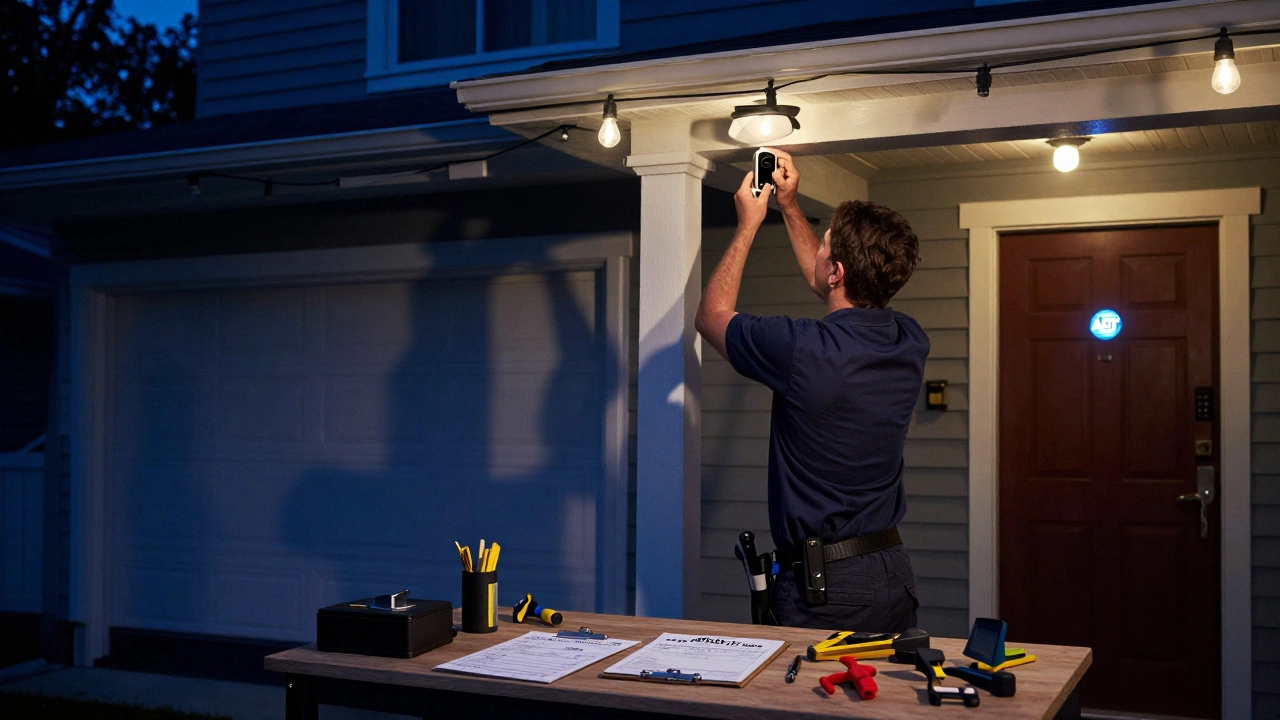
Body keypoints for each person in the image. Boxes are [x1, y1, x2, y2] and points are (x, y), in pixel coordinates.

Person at [694, 148, 929, 631]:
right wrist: (791, 205)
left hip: (829, 586)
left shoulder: (802, 348)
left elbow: (711, 317)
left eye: (825, 248)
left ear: (837, 271)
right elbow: (822, 280)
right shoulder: (909, 340)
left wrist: (748, 225)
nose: (818, 254)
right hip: (891, 570)